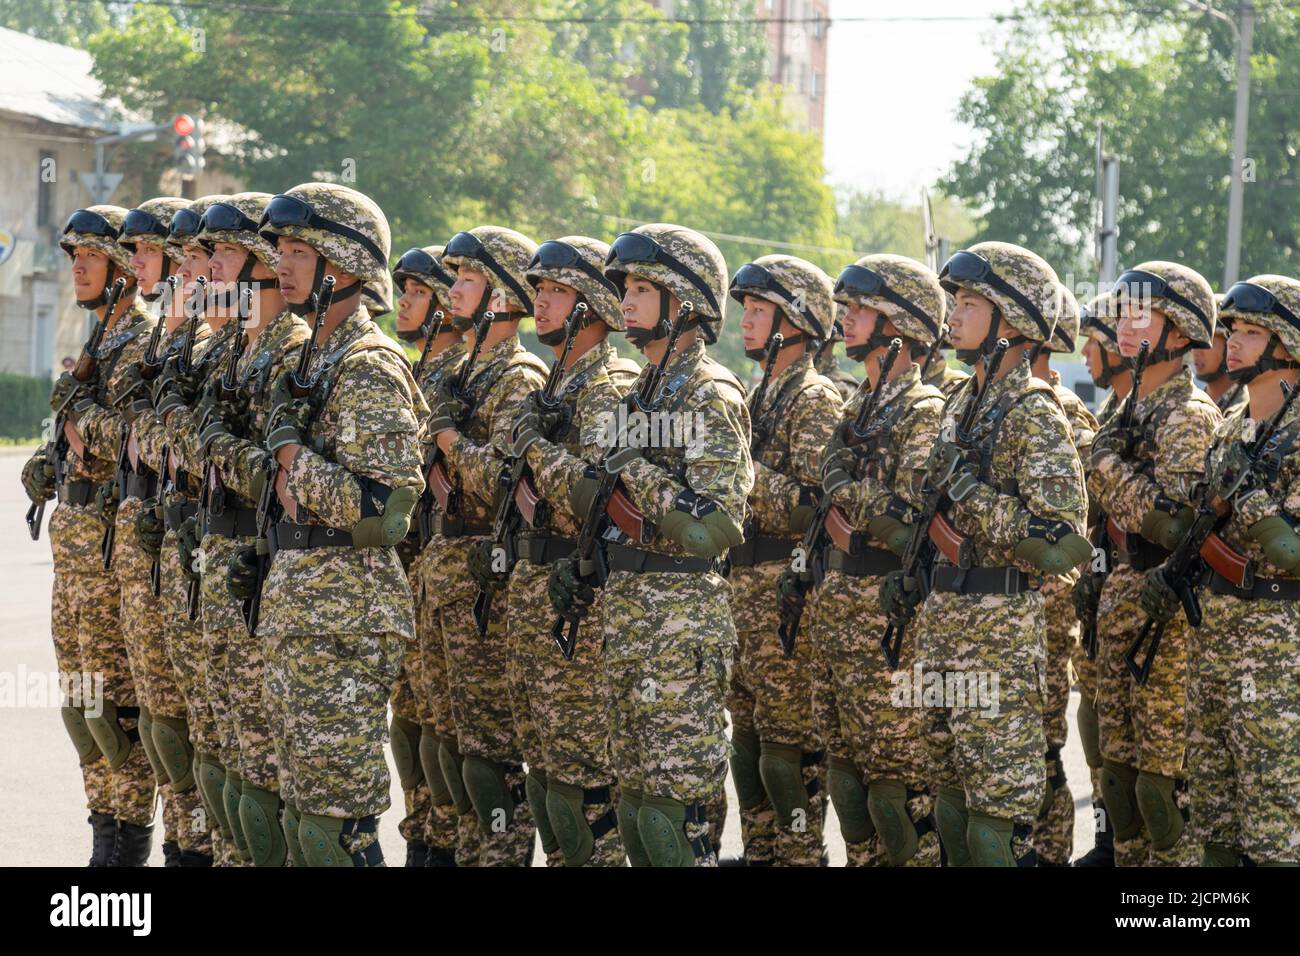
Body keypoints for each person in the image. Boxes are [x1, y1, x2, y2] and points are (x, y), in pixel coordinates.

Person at [549, 223, 754, 866]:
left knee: (671, 823)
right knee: (635, 815)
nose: (626, 301)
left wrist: (632, 465)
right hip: (632, 615)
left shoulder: (707, 392)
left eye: (641, 288)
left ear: (684, 302)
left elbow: (716, 525)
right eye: (626, 288)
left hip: (679, 624)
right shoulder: (641, 391)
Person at [887, 241, 1088, 866]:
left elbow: (1062, 545)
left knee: (994, 827)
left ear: (1012, 321)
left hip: (999, 634)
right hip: (945, 626)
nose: (954, 315)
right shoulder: (958, 404)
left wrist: (972, 494)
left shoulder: (1032, 411)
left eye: (969, 304)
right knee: (950, 811)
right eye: (956, 302)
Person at [247, 183, 426, 865]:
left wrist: (294, 460)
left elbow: (384, 514)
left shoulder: (368, 365)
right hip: (302, 607)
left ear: (345, 265)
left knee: (334, 825)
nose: (281, 265)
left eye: (298, 251)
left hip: (347, 615)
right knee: (303, 819)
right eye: (281, 251)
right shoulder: (310, 360)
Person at [1142, 274, 1300, 866]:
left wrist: (1247, 487)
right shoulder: (1233, 423)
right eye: (1230, 330)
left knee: (1274, 826)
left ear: (1287, 343)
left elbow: (1291, 552)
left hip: (1277, 654)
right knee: (1215, 821)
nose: (1231, 342)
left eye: (1251, 331)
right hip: (1216, 642)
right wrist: (1175, 573)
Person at [496, 235, 640, 866]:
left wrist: (534, 450)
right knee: (548, 781)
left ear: (593, 306)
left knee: (585, 790)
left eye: (557, 292)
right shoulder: (557, 384)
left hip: (578, 608)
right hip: (535, 593)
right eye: (541, 291)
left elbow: (597, 496)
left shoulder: (608, 387)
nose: (541, 303)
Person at [23, 205, 155, 864]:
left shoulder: (139, 340)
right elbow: (81, 441)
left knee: (117, 714)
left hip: (110, 554)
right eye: (73, 254)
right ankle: (103, 831)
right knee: (82, 708)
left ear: (125, 268)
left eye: (91, 256)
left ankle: (124, 850)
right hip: (74, 552)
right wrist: (49, 459)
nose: (78, 265)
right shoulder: (97, 338)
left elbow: (139, 442)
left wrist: (81, 415)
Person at [185, 192, 311, 866]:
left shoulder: (291, 350)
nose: (209, 270)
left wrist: (214, 441)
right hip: (222, 557)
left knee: (266, 767)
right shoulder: (236, 348)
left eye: (223, 254)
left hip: (264, 567)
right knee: (229, 763)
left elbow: (278, 475)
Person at [810, 253, 946, 867]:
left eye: (862, 309)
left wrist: (844, 489)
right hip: (838, 610)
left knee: (899, 794)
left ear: (899, 324)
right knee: (847, 782)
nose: (848, 319)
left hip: (885, 621)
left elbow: (913, 514)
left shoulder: (923, 410)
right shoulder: (855, 406)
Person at [1088, 260, 1221, 866]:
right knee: (1118, 782)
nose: (1123, 324)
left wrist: (1107, 466)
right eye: (1121, 312)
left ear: (1179, 331)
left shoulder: (1187, 416)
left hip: (1164, 621)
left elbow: (1174, 519)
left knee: (1162, 792)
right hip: (1121, 596)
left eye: (1140, 313)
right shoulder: (1130, 411)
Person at [427, 226, 547, 866]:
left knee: (491, 759)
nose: (453, 290)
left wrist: (449, 446)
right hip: (443, 577)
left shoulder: (519, 375)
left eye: (467, 280)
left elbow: (510, 481)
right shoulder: (462, 367)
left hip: (485, 586)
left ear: (501, 294)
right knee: (454, 752)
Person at [723, 254, 841, 866]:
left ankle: (798, 856)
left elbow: (816, 506)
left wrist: (739, 472)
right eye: (745, 307)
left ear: (796, 321)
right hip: (744, 588)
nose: (746, 319)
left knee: (789, 755)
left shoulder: (814, 398)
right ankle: (763, 853)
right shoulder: (757, 391)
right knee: (749, 749)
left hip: (786, 596)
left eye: (760, 309)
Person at [388, 243, 464, 866]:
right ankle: (423, 841)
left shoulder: (456, 378)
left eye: (416, 293)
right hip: (410, 574)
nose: (402, 302)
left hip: (446, 576)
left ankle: (439, 848)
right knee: (410, 729)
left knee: (447, 738)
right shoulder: (417, 374)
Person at [1026, 285, 1099, 866]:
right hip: (995, 608)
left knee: (1043, 748)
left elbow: (1080, 511)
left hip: (1047, 602)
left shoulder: (1064, 411)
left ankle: (1049, 856)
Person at [1070, 293, 1126, 867]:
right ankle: (1108, 842)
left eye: (1095, 343)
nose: (1085, 353)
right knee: (1095, 729)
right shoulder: (1112, 411)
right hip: (1099, 603)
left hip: (1134, 606)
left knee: (1147, 766)